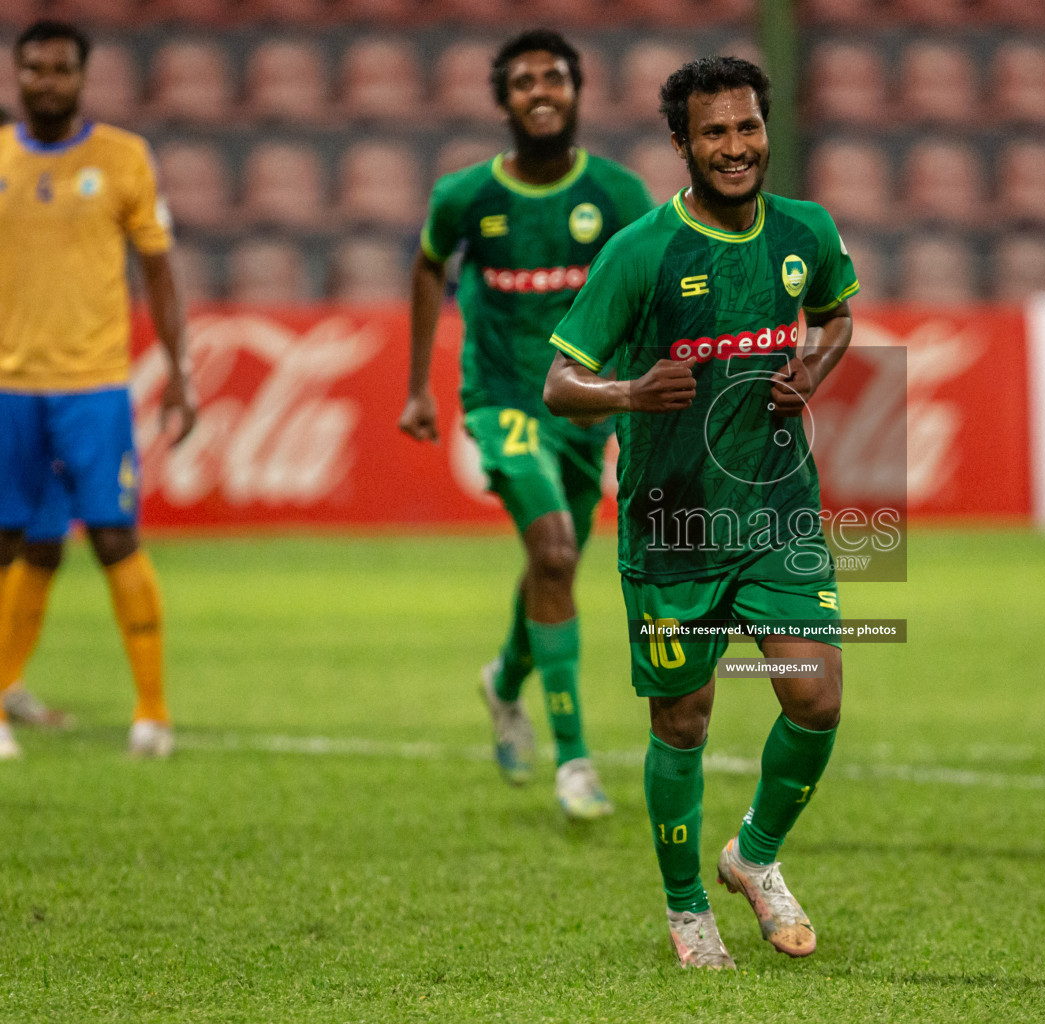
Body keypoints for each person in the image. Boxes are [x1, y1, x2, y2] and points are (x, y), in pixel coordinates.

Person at [544, 56, 858, 969]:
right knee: (682, 722)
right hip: (672, 529)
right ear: (680, 144)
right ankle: (687, 910)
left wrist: (813, 370)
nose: (735, 147)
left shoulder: (806, 231)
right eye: (713, 133)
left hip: (778, 519)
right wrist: (633, 393)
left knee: (817, 697)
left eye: (747, 127)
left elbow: (835, 317)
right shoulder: (640, 251)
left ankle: (753, 858)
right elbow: (560, 382)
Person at [398, 29, 653, 819]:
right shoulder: (463, 196)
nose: (540, 91)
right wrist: (417, 390)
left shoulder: (616, 193)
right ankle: (574, 761)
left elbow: (648, 291)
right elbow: (427, 267)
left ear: (578, 91)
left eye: (555, 77)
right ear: (502, 100)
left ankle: (504, 682)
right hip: (503, 400)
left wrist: (639, 396)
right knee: (554, 547)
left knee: (555, 565)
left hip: (584, 406)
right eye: (523, 81)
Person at [0, 19, 196, 760]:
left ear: (82, 77)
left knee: (115, 537)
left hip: (93, 386)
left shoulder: (122, 158)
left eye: (60, 69)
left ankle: (152, 713)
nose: (46, 81)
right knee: (18, 546)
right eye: (34, 69)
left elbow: (159, 268)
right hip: (8, 387)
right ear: (16, 76)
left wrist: (178, 375)